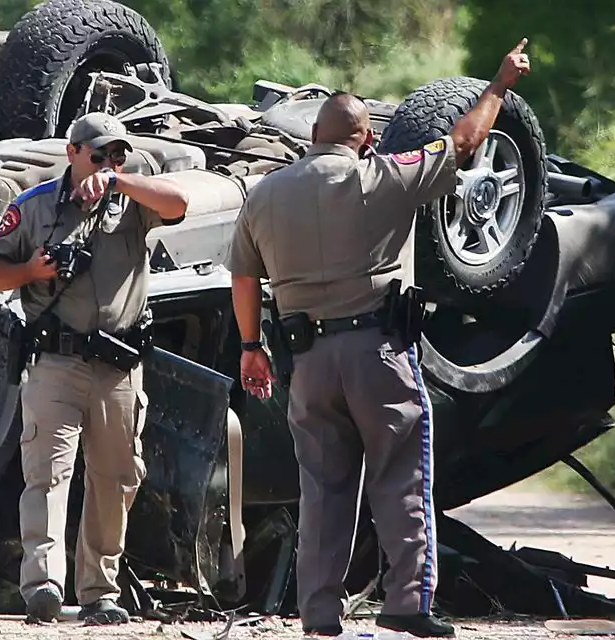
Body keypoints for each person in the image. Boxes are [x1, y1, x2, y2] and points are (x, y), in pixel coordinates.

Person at [223, 39, 533, 638]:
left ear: (314, 133)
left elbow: (243, 275)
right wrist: (499, 84)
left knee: (322, 489)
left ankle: (318, 612)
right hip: (376, 355)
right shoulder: (383, 178)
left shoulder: (263, 196)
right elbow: (466, 143)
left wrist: (250, 346)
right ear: (365, 137)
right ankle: (408, 603)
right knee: (400, 477)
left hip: (306, 363)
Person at [0, 112, 189, 624]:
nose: (109, 163)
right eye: (99, 155)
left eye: (118, 155)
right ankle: (44, 586)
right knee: (48, 475)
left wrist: (120, 180)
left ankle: (99, 591)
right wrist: (32, 271)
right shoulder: (32, 209)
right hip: (56, 361)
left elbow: (178, 203)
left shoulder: (133, 203)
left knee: (116, 478)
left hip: (119, 366)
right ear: (72, 153)